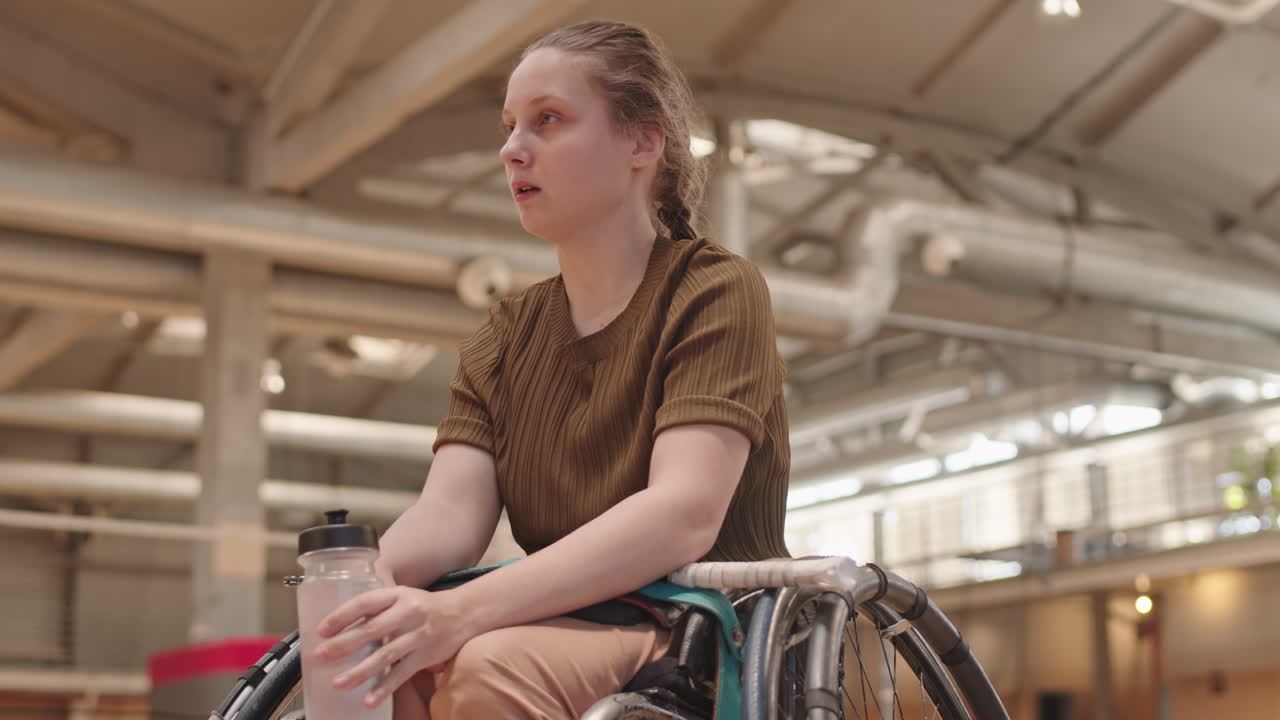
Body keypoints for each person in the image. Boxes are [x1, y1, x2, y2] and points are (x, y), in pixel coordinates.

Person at [310, 20, 790, 719]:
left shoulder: (714, 289)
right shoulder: (506, 333)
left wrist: (464, 612)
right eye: (509, 126)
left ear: (642, 141)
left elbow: (682, 514)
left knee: (483, 669)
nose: (512, 149)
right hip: (557, 612)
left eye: (549, 120)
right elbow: (449, 510)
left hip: (698, 621)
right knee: (384, 664)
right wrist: (372, 583)